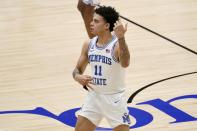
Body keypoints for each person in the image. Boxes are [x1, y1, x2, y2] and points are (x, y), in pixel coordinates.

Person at [72, 5, 131, 131]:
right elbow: (77, 70)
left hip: (114, 99)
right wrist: (78, 77)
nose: (91, 23)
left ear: (106, 26)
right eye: (93, 20)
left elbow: (125, 63)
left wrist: (121, 38)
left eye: (96, 21)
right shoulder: (89, 44)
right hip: (94, 97)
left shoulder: (116, 45)